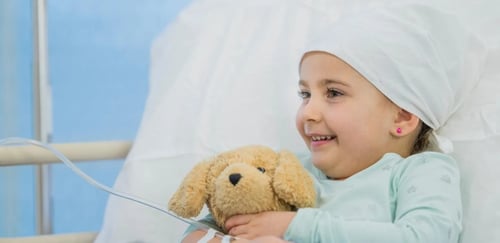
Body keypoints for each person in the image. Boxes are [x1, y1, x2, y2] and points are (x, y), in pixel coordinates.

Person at [182, 1, 486, 242]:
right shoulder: (289, 170)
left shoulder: (421, 172)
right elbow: (206, 226)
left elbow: (424, 237)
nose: (308, 112)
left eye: (333, 92)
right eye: (304, 94)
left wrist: (295, 226)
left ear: (402, 117)